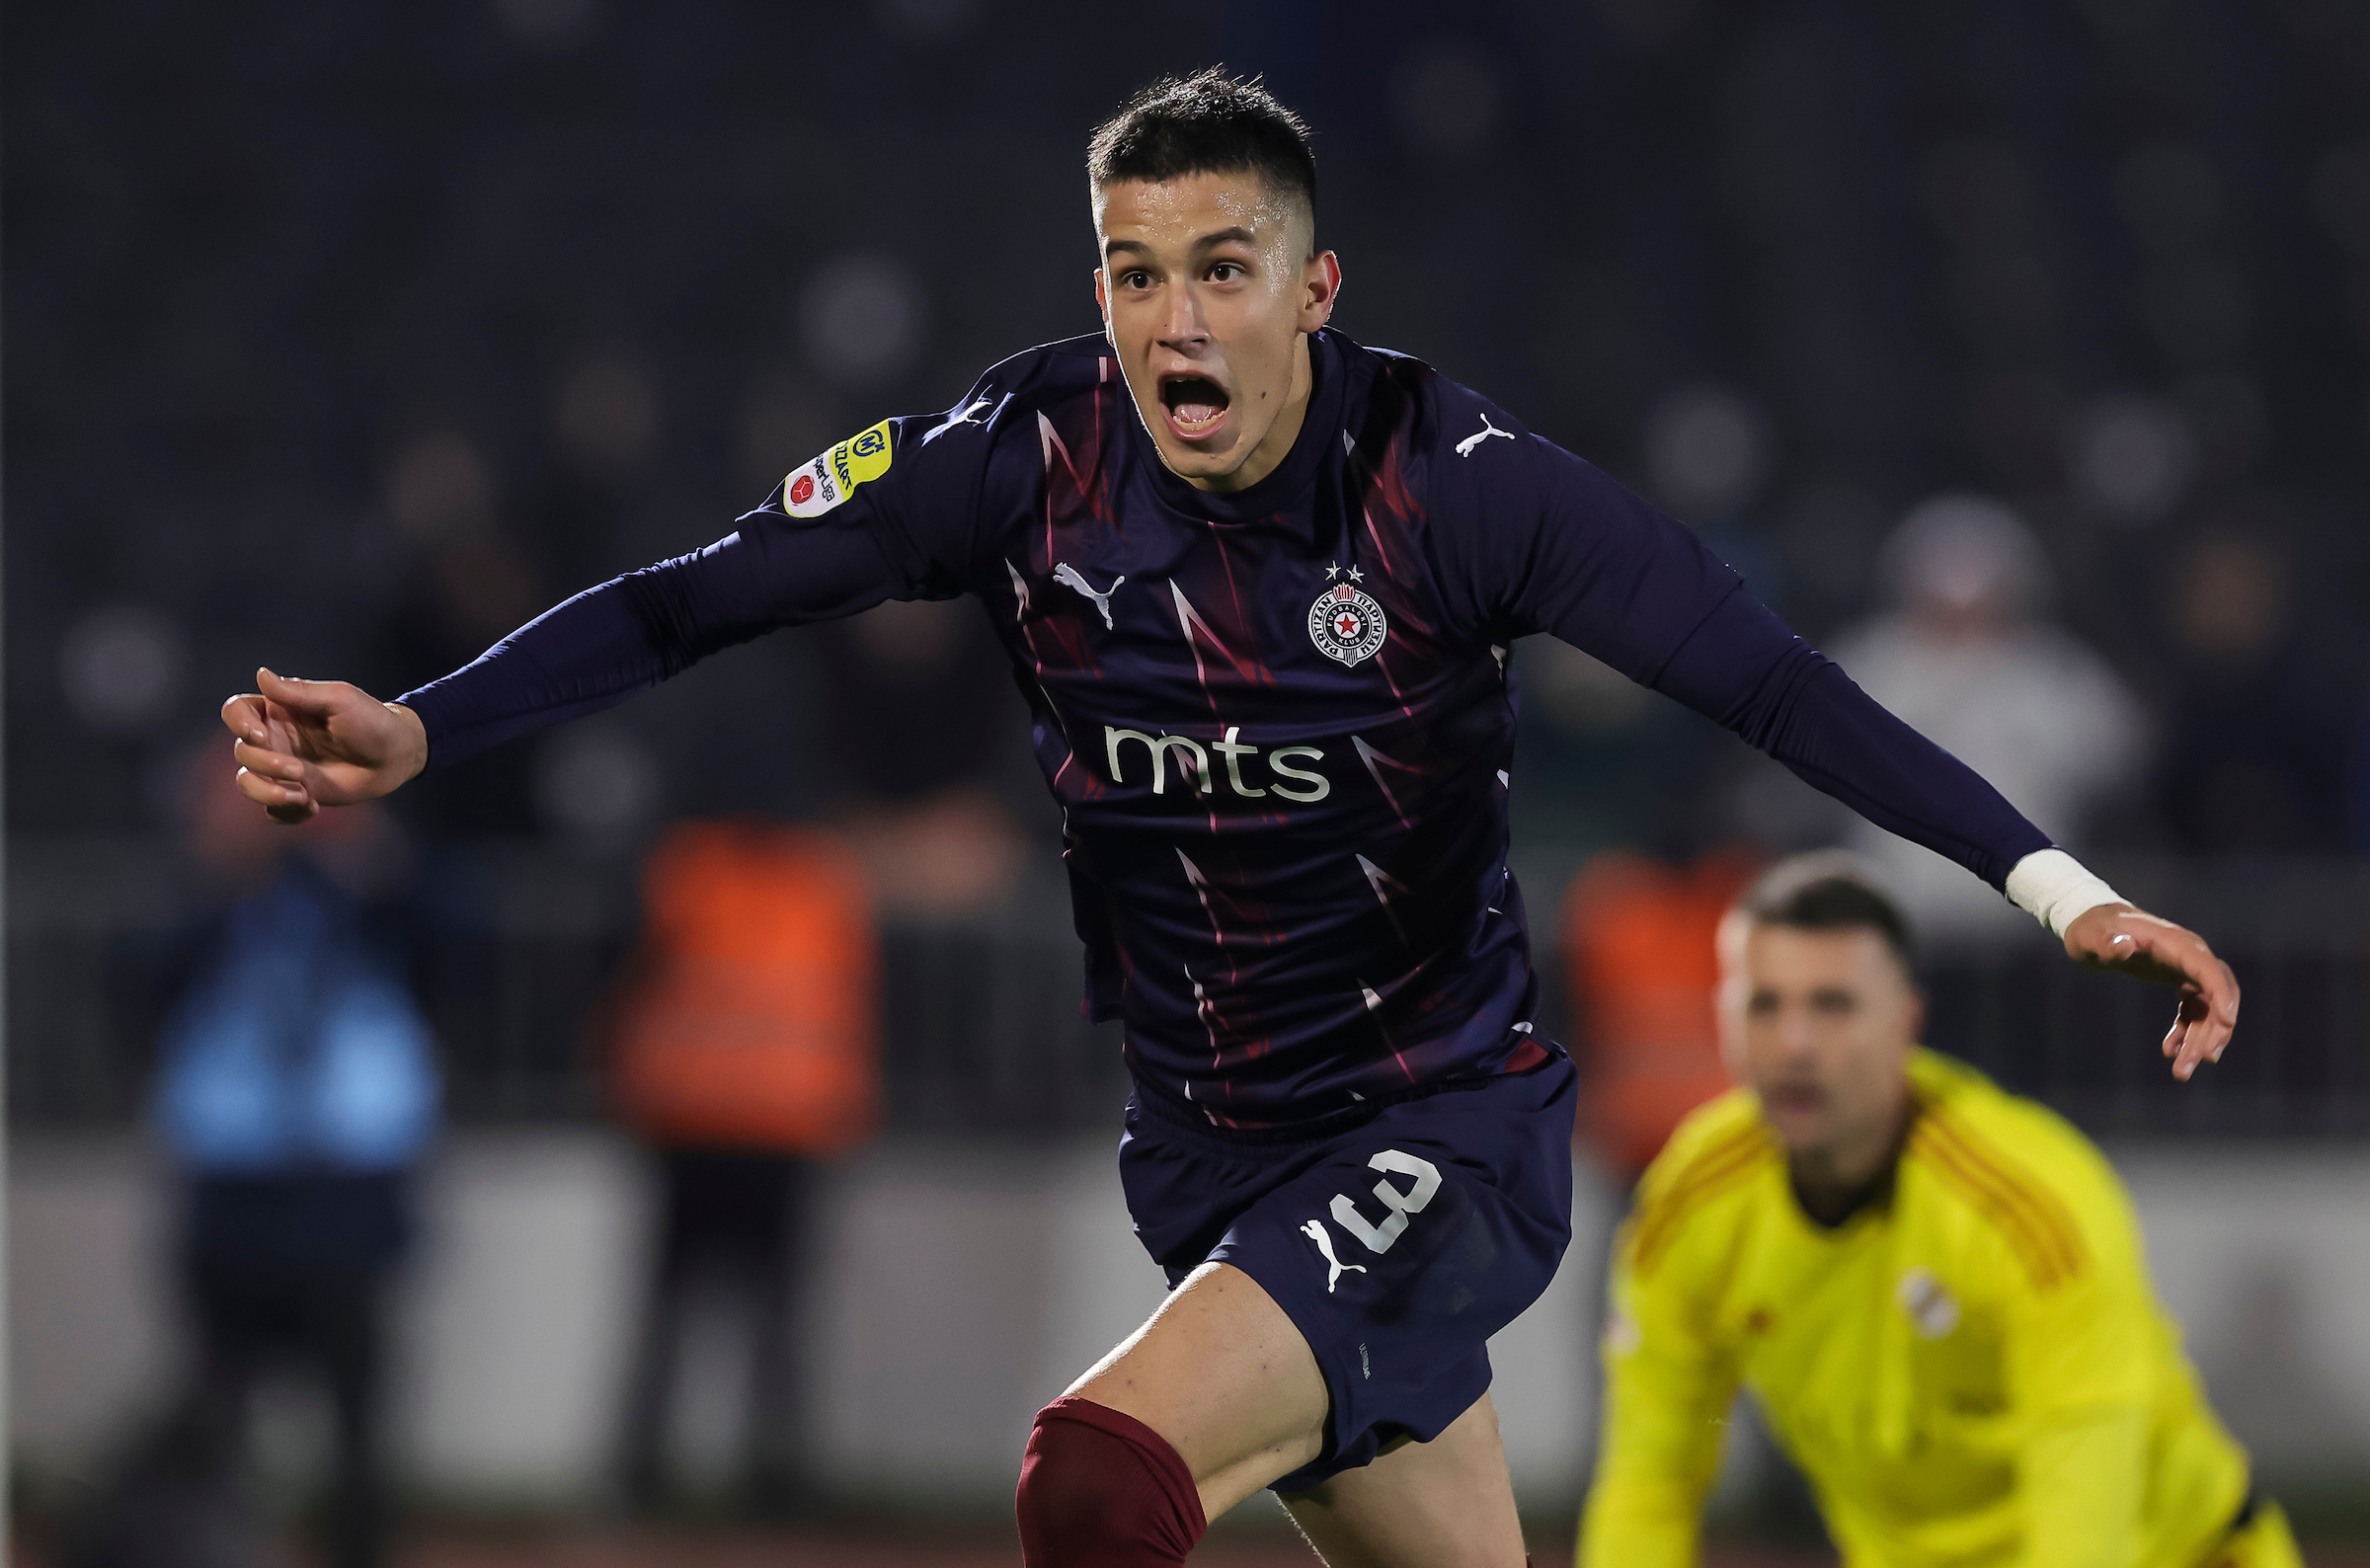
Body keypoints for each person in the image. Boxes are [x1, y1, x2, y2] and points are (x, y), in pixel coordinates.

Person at [220, 70, 2238, 1568]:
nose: (1174, 320)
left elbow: (1780, 684)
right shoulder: (1016, 454)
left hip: (1440, 1120)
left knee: (1094, 1476)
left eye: (1221, 270)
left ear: (1312, 284)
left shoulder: (1462, 485)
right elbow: (693, 595)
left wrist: (2061, 888)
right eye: (1131, 271)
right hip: (1204, 1143)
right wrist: (420, 723)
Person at [1578, 853, 2294, 1568]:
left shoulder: (2030, 1205)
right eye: (1765, 1005)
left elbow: (2083, 1536)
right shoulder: (1688, 1206)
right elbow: (1648, 1493)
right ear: (1724, 1024)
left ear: (1906, 1022)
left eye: (1833, 1005)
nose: (1794, 1044)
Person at [605, 818, 879, 1515]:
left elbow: (624, 978)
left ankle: (645, 1473)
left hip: (695, 1114)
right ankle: (774, 1478)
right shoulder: (827, 875)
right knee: (774, 1315)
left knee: (677, 1308)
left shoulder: (686, 867)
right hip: (782, 1119)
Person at [1828, 495, 2148, 944]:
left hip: (2026, 925)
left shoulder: (2052, 673)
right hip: (1899, 915)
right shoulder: (1875, 665)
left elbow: (2119, 754)